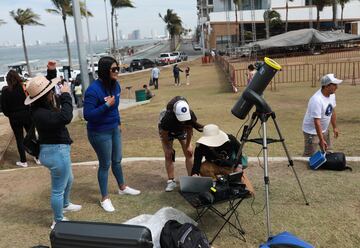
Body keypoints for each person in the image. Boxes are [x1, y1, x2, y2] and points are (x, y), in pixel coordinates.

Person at [83, 56, 140, 213]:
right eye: (114, 69)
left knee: (117, 160)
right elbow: (87, 115)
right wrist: (106, 105)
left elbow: (115, 109)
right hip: (99, 133)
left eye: (118, 69)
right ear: (104, 71)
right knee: (105, 164)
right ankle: (105, 198)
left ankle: (122, 187)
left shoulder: (116, 86)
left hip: (114, 128)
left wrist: (118, 123)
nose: (117, 72)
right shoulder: (93, 91)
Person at [24, 76, 82, 229]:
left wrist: (52, 72)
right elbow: (66, 116)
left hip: (55, 151)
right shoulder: (41, 113)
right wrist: (66, 95)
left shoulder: (40, 109)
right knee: (57, 189)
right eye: (50, 91)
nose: (53, 92)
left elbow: (45, 84)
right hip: (56, 153)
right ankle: (58, 220)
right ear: (45, 95)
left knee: (69, 179)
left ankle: (65, 204)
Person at [191, 124, 254, 194]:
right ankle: (215, 185)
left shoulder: (230, 139)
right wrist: (195, 174)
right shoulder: (201, 146)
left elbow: (239, 150)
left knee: (249, 191)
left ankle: (232, 185)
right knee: (203, 168)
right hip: (214, 165)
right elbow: (197, 162)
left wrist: (239, 165)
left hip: (230, 166)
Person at [158, 96, 203, 192]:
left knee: (189, 153)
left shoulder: (190, 114)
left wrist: (188, 146)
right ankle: (171, 181)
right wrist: (168, 148)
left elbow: (190, 131)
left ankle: (191, 180)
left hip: (182, 131)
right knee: (168, 155)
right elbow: (164, 134)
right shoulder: (167, 118)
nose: (183, 120)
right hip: (168, 131)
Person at [1, 70, 40, 167]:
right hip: (27, 115)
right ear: (18, 77)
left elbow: (3, 108)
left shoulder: (5, 91)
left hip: (14, 118)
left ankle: (23, 161)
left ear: (7, 80)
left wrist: (10, 115)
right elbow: (32, 100)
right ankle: (37, 157)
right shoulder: (24, 87)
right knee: (31, 136)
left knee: (19, 139)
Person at [302, 74, 342, 156]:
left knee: (328, 152)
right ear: (327, 86)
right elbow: (317, 121)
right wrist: (321, 139)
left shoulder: (332, 95)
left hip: (324, 130)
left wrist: (335, 127)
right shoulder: (316, 100)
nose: (337, 87)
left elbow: (332, 110)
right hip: (312, 132)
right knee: (309, 156)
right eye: (334, 85)